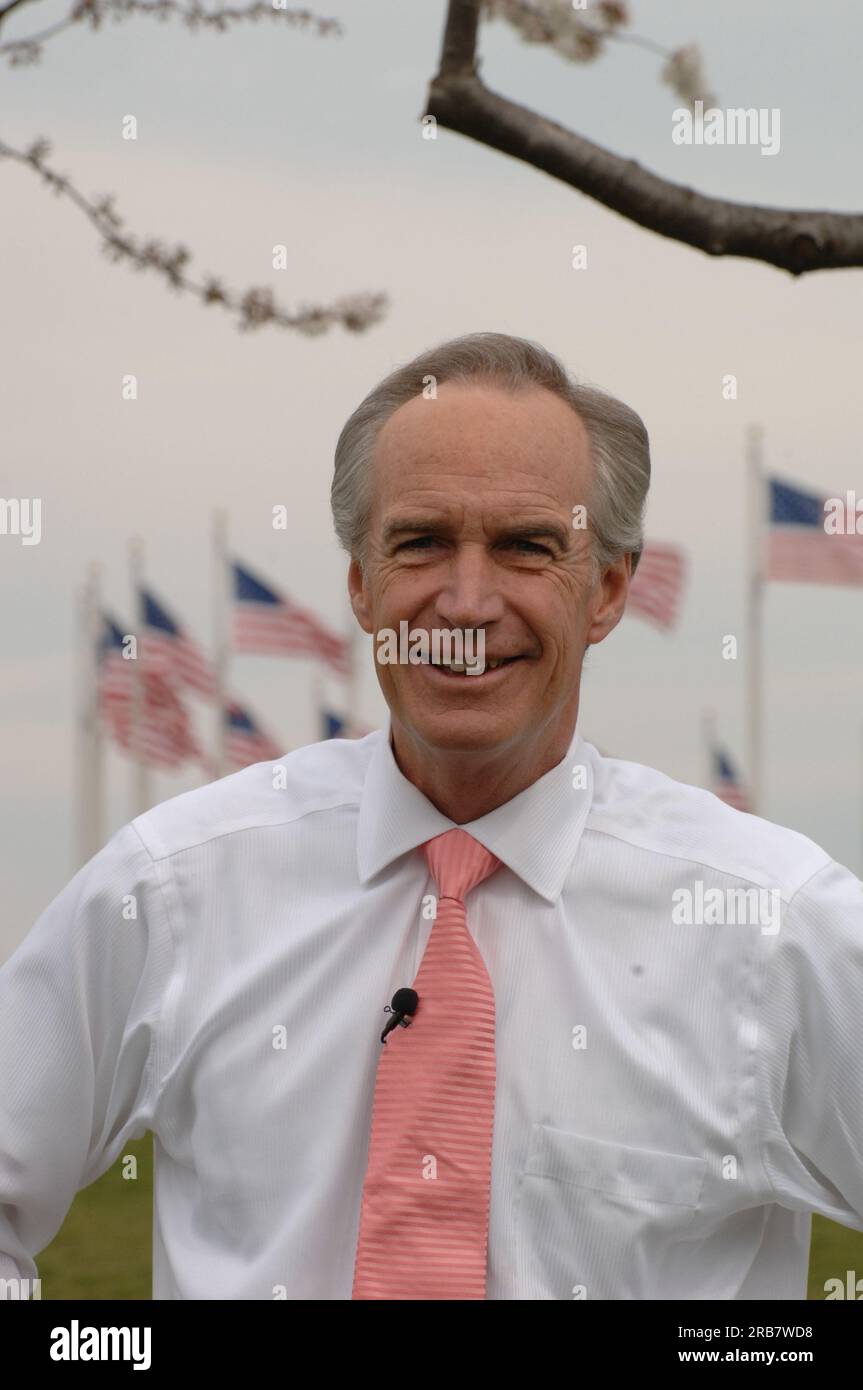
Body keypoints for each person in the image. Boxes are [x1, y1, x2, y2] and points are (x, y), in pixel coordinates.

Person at [1, 332, 861, 1301]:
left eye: (525, 546)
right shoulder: (171, 886)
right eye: (418, 542)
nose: (463, 599)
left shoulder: (773, 924)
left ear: (607, 590)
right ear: (361, 586)